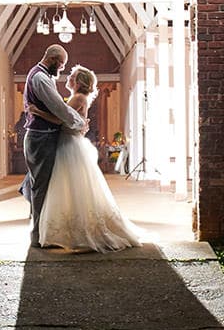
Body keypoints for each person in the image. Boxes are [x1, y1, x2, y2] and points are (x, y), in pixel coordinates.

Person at [38, 65, 143, 253]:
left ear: (79, 82)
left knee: (71, 189)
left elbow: (59, 118)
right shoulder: (79, 98)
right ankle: (71, 231)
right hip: (71, 143)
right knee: (72, 189)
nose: (68, 78)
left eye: (72, 76)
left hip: (69, 146)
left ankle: (78, 232)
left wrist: (37, 112)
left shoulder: (78, 98)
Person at [21, 44, 87, 248]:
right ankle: (38, 235)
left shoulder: (44, 76)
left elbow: (58, 111)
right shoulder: (40, 78)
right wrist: (80, 123)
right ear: (52, 59)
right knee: (41, 187)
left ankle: (44, 232)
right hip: (41, 138)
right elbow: (60, 109)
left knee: (42, 185)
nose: (62, 68)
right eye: (61, 64)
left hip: (44, 136)